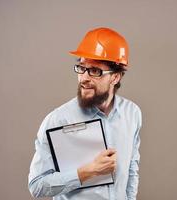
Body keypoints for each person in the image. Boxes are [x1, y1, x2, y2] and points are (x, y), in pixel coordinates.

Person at [28, 27, 142, 200]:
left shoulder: (132, 113)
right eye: (81, 68)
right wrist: (89, 171)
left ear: (116, 77)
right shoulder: (58, 120)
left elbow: (132, 168)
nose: (84, 78)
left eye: (95, 71)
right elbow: (36, 186)